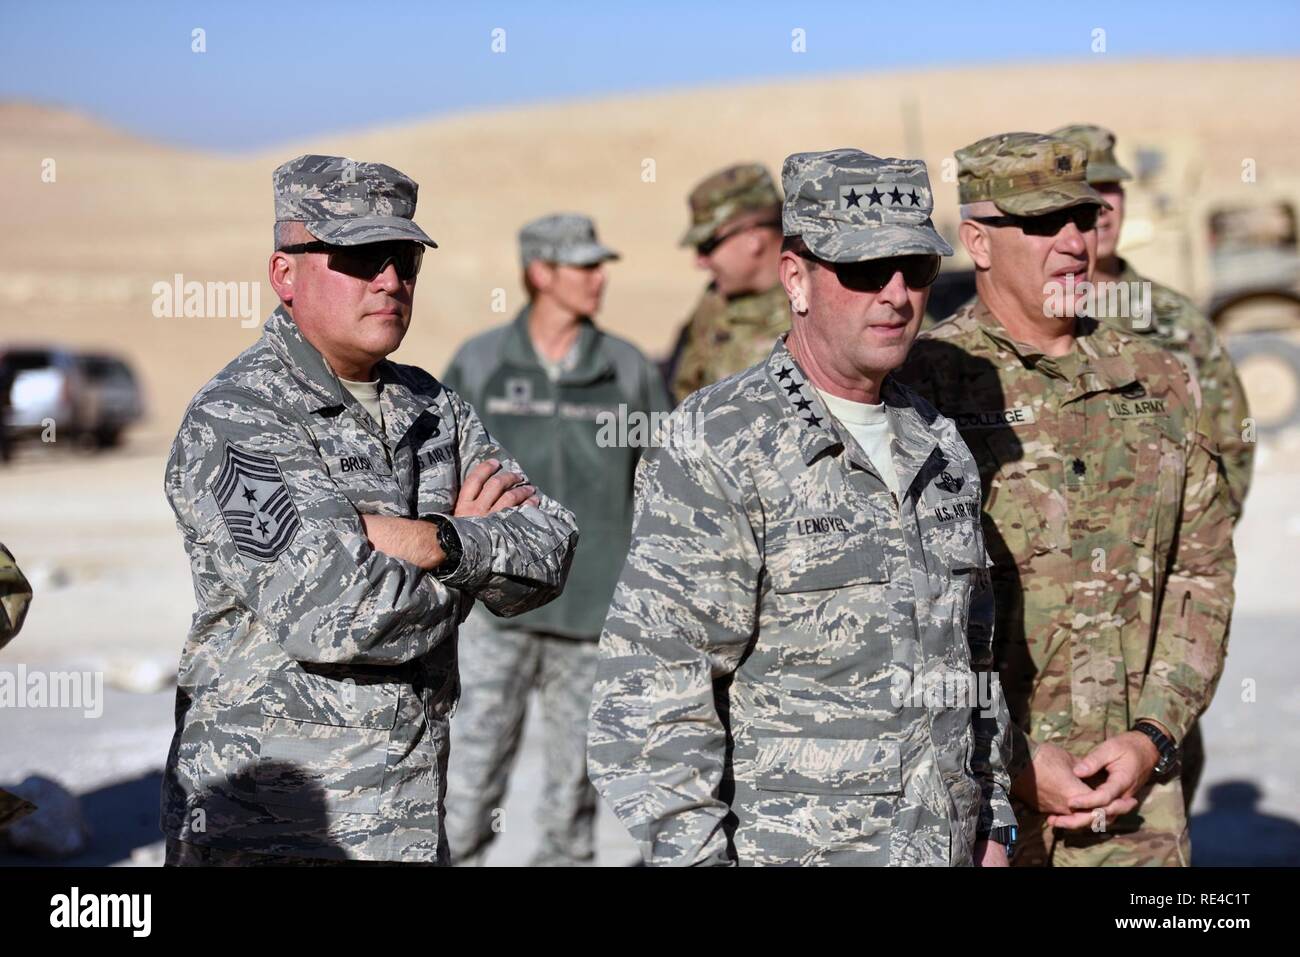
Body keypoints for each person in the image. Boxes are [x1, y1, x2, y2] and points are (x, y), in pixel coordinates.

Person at [588, 148, 1018, 867]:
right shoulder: (720, 442)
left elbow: (972, 663)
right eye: (862, 270)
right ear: (797, 277)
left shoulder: (940, 446)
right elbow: (652, 694)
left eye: (914, 269)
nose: (896, 294)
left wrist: (994, 821)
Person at [160, 154, 578, 866]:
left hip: (410, 821)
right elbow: (337, 613)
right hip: (272, 834)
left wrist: (435, 540)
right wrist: (476, 556)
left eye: (403, 257)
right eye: (358, 257)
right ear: (284, 274)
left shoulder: (433, 406)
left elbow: (552, 548)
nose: (389, 280)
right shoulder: (238, 416)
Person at [899, 132, 1236, 866]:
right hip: (979, 808)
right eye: (1044, 224)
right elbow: (896, 613)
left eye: (1081, 220)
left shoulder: (1159, 379)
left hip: (1135, 811)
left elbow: (1200, 571)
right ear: (978, 243)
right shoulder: (922, 390)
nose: (1075, 243)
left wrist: (1153, 734)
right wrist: (1013, 758)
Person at [440, 213, 670, 866]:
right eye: (584, 266)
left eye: (601, 266)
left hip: (594, 619)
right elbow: (437, 479)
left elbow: (664, 487)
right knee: (468, 782)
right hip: (493, 616)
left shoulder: (627, 371)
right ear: (540, 273)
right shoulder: (481, 363)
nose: (599, 279)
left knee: (572, 793)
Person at [1052, 122, 1255, 814]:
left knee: (1159, 804)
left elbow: (1230, 445)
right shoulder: (1013, 326)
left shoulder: (1172, 321)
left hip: (1156, 618)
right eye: (1084, 193)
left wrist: (1185, 549)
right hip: (1049, 635)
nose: (1101, 208)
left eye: (1110, 188)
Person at [667, 163, 788, 403]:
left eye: (708, 245)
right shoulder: (713, 303)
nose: (700, 262)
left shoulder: (819, 301)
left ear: (753, 237)